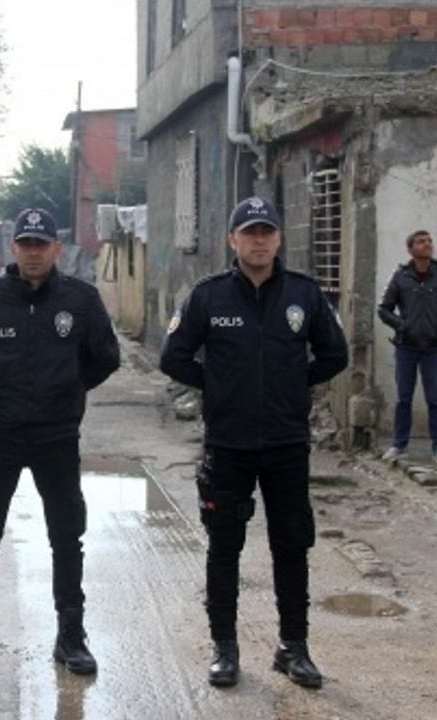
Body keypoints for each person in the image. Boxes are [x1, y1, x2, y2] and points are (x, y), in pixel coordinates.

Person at [160, 196, 349, 689]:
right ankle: (225, 648)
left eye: (267, 232)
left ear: (279, 239)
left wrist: (294, 384)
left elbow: (335, 354)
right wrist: (218, 386)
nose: (259, 241)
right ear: (233, 240)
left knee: (292, 545)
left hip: (287, 443)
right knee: (225, 546)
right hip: (229, 444)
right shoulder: (209, 296)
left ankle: (293, 647)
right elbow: (173, 356)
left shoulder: (305, 294)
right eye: (249, 233)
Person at [0, 207, 120, 676]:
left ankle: (71, 635)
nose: (34, 252)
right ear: (13, 248)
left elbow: (105, 357)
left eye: (42, 244)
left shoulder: (81, 300)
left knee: (66, 534)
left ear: (56, 248)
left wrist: (68, 388)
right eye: (26, 244)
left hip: (56, 435)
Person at [377, 230, 437, 465]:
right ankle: (398, 444)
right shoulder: (400, 276)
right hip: (406, 346)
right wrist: (402, 325)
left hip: (433, 347)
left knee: (434, 398)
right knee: (403, 398)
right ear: (410, 249)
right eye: (421, 242)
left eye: (429, 241)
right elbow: (384, 308)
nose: (427, 244)